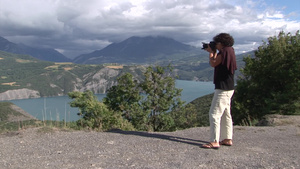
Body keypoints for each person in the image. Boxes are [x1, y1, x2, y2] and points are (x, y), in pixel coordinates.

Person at [201, 33, 237, 149]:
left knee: (214, 114)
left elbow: (213, 63)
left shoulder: (224, 52)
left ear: (221, 43)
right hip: (229, 87)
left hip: (222, 88)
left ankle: (214, 141)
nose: (216, 44)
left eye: (217, 43)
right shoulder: (230, 51)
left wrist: (212, 52)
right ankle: (227, 138)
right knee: (226, 113)